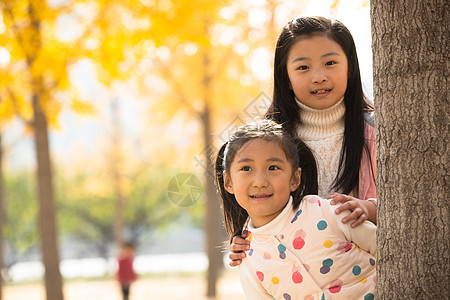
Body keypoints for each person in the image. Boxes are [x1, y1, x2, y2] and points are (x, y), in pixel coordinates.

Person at [229, 16, 377, 267]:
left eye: (330, 63)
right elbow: (256, 207)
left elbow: (411, 203)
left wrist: (370, 209)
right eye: (303, 67)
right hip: (295, 278)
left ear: (350, 67)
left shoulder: (375, 133)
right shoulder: (267, 142)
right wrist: (244, 241)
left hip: (364, 275)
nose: (318, 77)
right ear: (285, 76)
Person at [215, 119, 376, 299]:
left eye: (273, 167)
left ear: (294, 179)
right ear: (228, 182)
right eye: (246, 168)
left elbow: (389, 250)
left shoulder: (328, 213)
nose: (260, 182)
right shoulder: (249, 262)